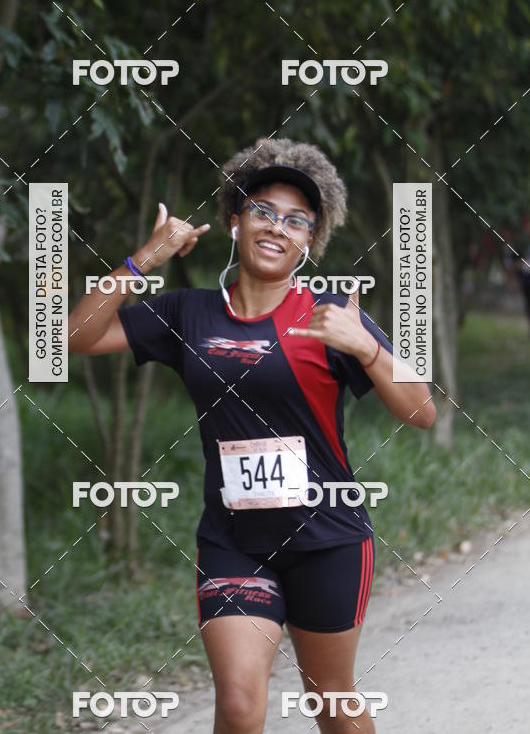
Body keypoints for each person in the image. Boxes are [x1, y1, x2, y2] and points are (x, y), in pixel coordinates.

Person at [68, 137, 436, 734]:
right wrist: (143, 262)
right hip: (233, 543)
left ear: (311, 242)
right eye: (262, 210)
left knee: (332, 702)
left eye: (297, 221)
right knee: (239, 707)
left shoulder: (331, 314)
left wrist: (366, 346)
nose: (276, 228)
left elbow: (423, 411)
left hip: (328, 538)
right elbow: (73, 337)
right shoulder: (187, 313)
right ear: (234, 219)